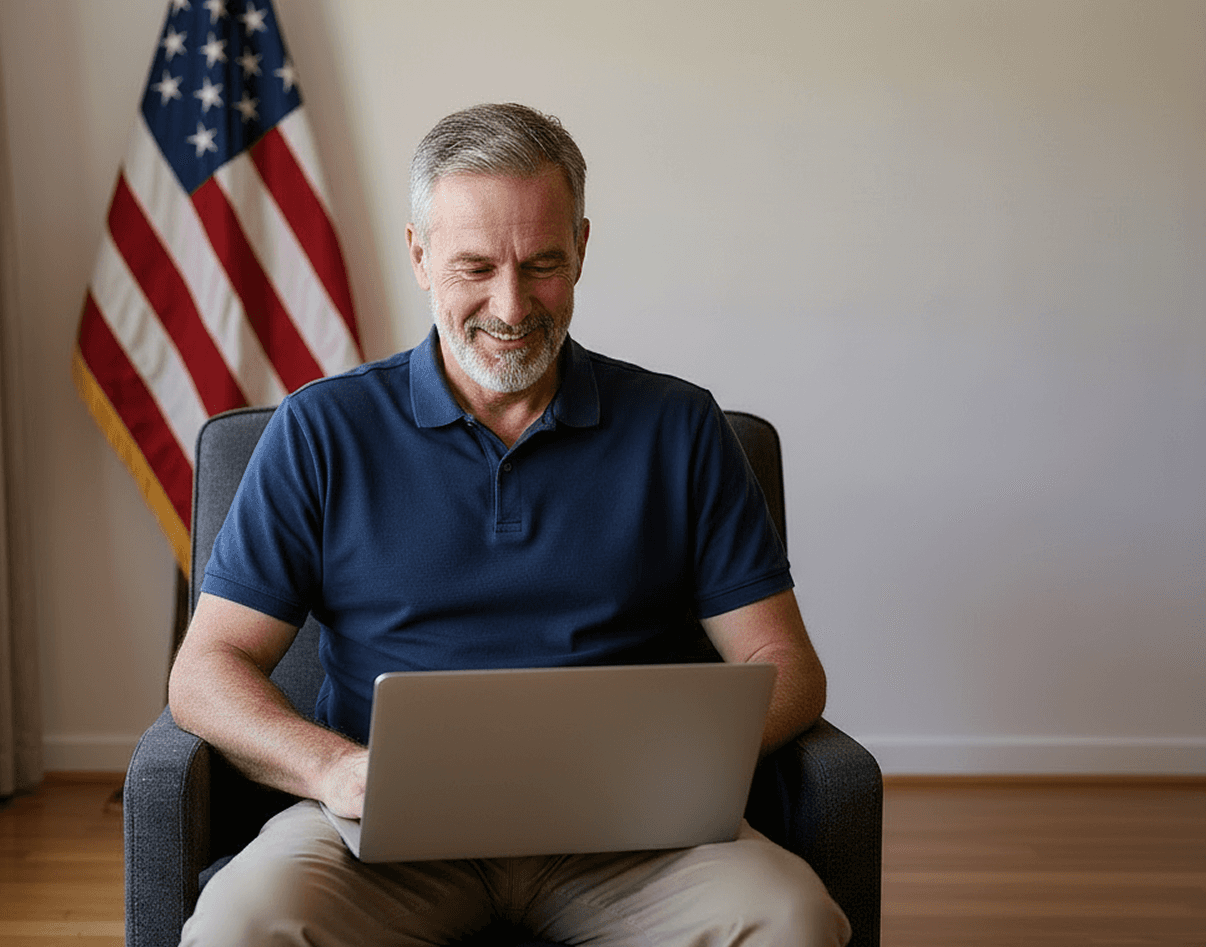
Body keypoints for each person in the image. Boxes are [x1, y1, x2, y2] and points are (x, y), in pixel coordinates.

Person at [169, 102, 851, 946]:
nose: (511, 303)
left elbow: (784, 662)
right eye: (476, 266)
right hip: (375, 839)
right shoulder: (321, 430)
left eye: (543, 264)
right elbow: (205, 671)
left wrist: (679, 766)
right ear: (419, 255)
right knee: (238, 928)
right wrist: (336, 768)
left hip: (633, 840)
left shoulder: (680, 427)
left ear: (584, 248)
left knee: (793, 920)